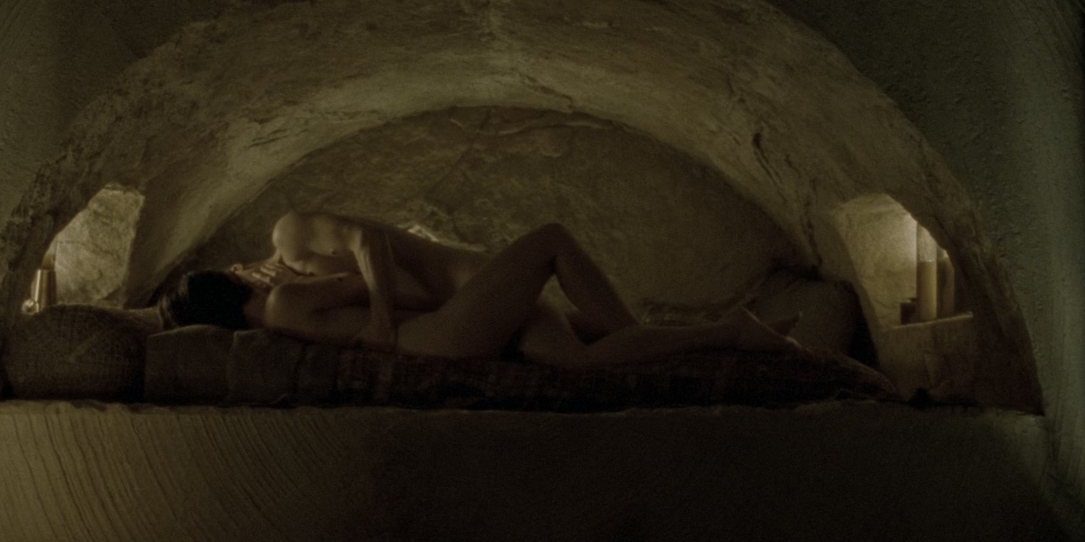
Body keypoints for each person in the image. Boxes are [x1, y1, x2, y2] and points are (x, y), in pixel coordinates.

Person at [166, 212, 797, 368]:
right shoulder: (283, 298)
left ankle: (727, 335)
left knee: (574, 358)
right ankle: (726, 332)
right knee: (550, 239)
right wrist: (388, 312)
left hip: (445, 325)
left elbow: (364, 269)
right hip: (440, 333)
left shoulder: (279, 309)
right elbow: (380, 283)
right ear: (230, 279)